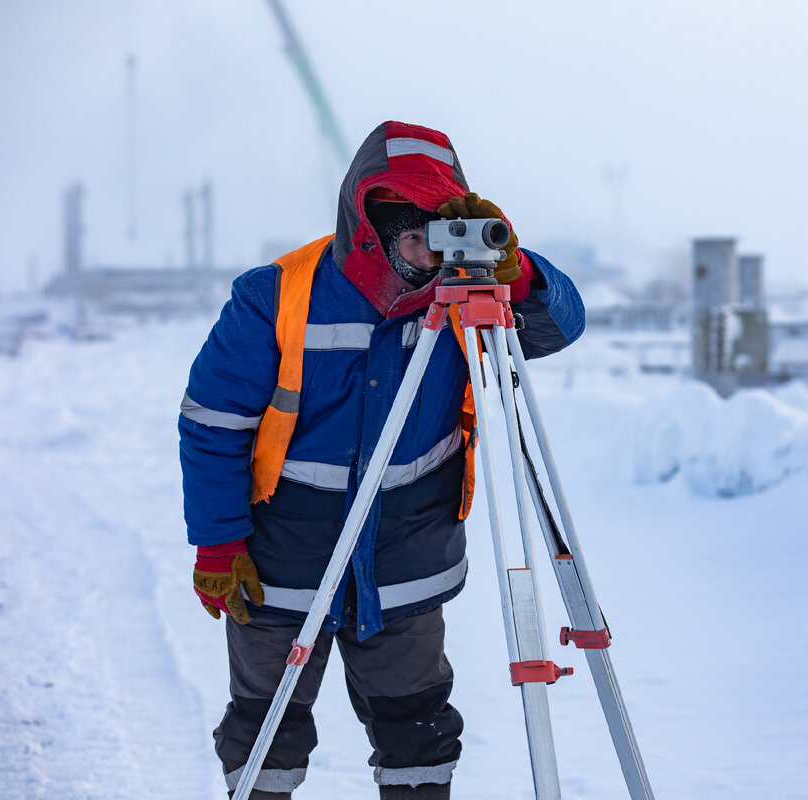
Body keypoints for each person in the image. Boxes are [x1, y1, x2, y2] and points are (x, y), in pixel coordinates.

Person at [178, 121, 585, 799]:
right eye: (414, 232)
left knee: (416, 724)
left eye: (443, 228)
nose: (430, 253)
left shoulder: (469, 294)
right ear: (369, 219)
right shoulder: (275, 294)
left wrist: (520, 273)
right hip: (282, 552)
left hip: (408, 551)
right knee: (265, 722)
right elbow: (213, 424)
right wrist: (218, 541)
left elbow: (557, 328)